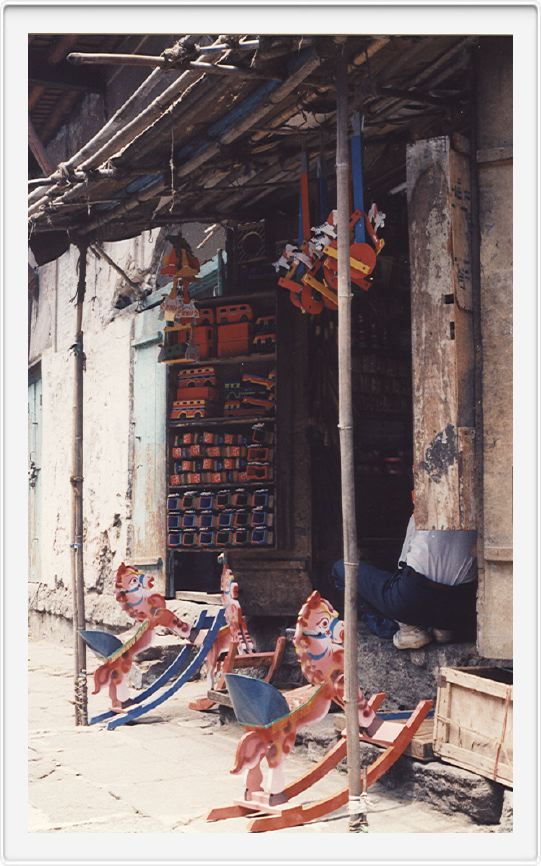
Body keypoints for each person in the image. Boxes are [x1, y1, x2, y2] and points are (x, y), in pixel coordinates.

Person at [331, 514, 478, 649]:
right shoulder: (477, 512)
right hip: (458, 610)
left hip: (412, 600)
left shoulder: (422, 512)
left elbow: (403, 563)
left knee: (341, 568)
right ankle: (443, 630)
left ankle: (406, 627)